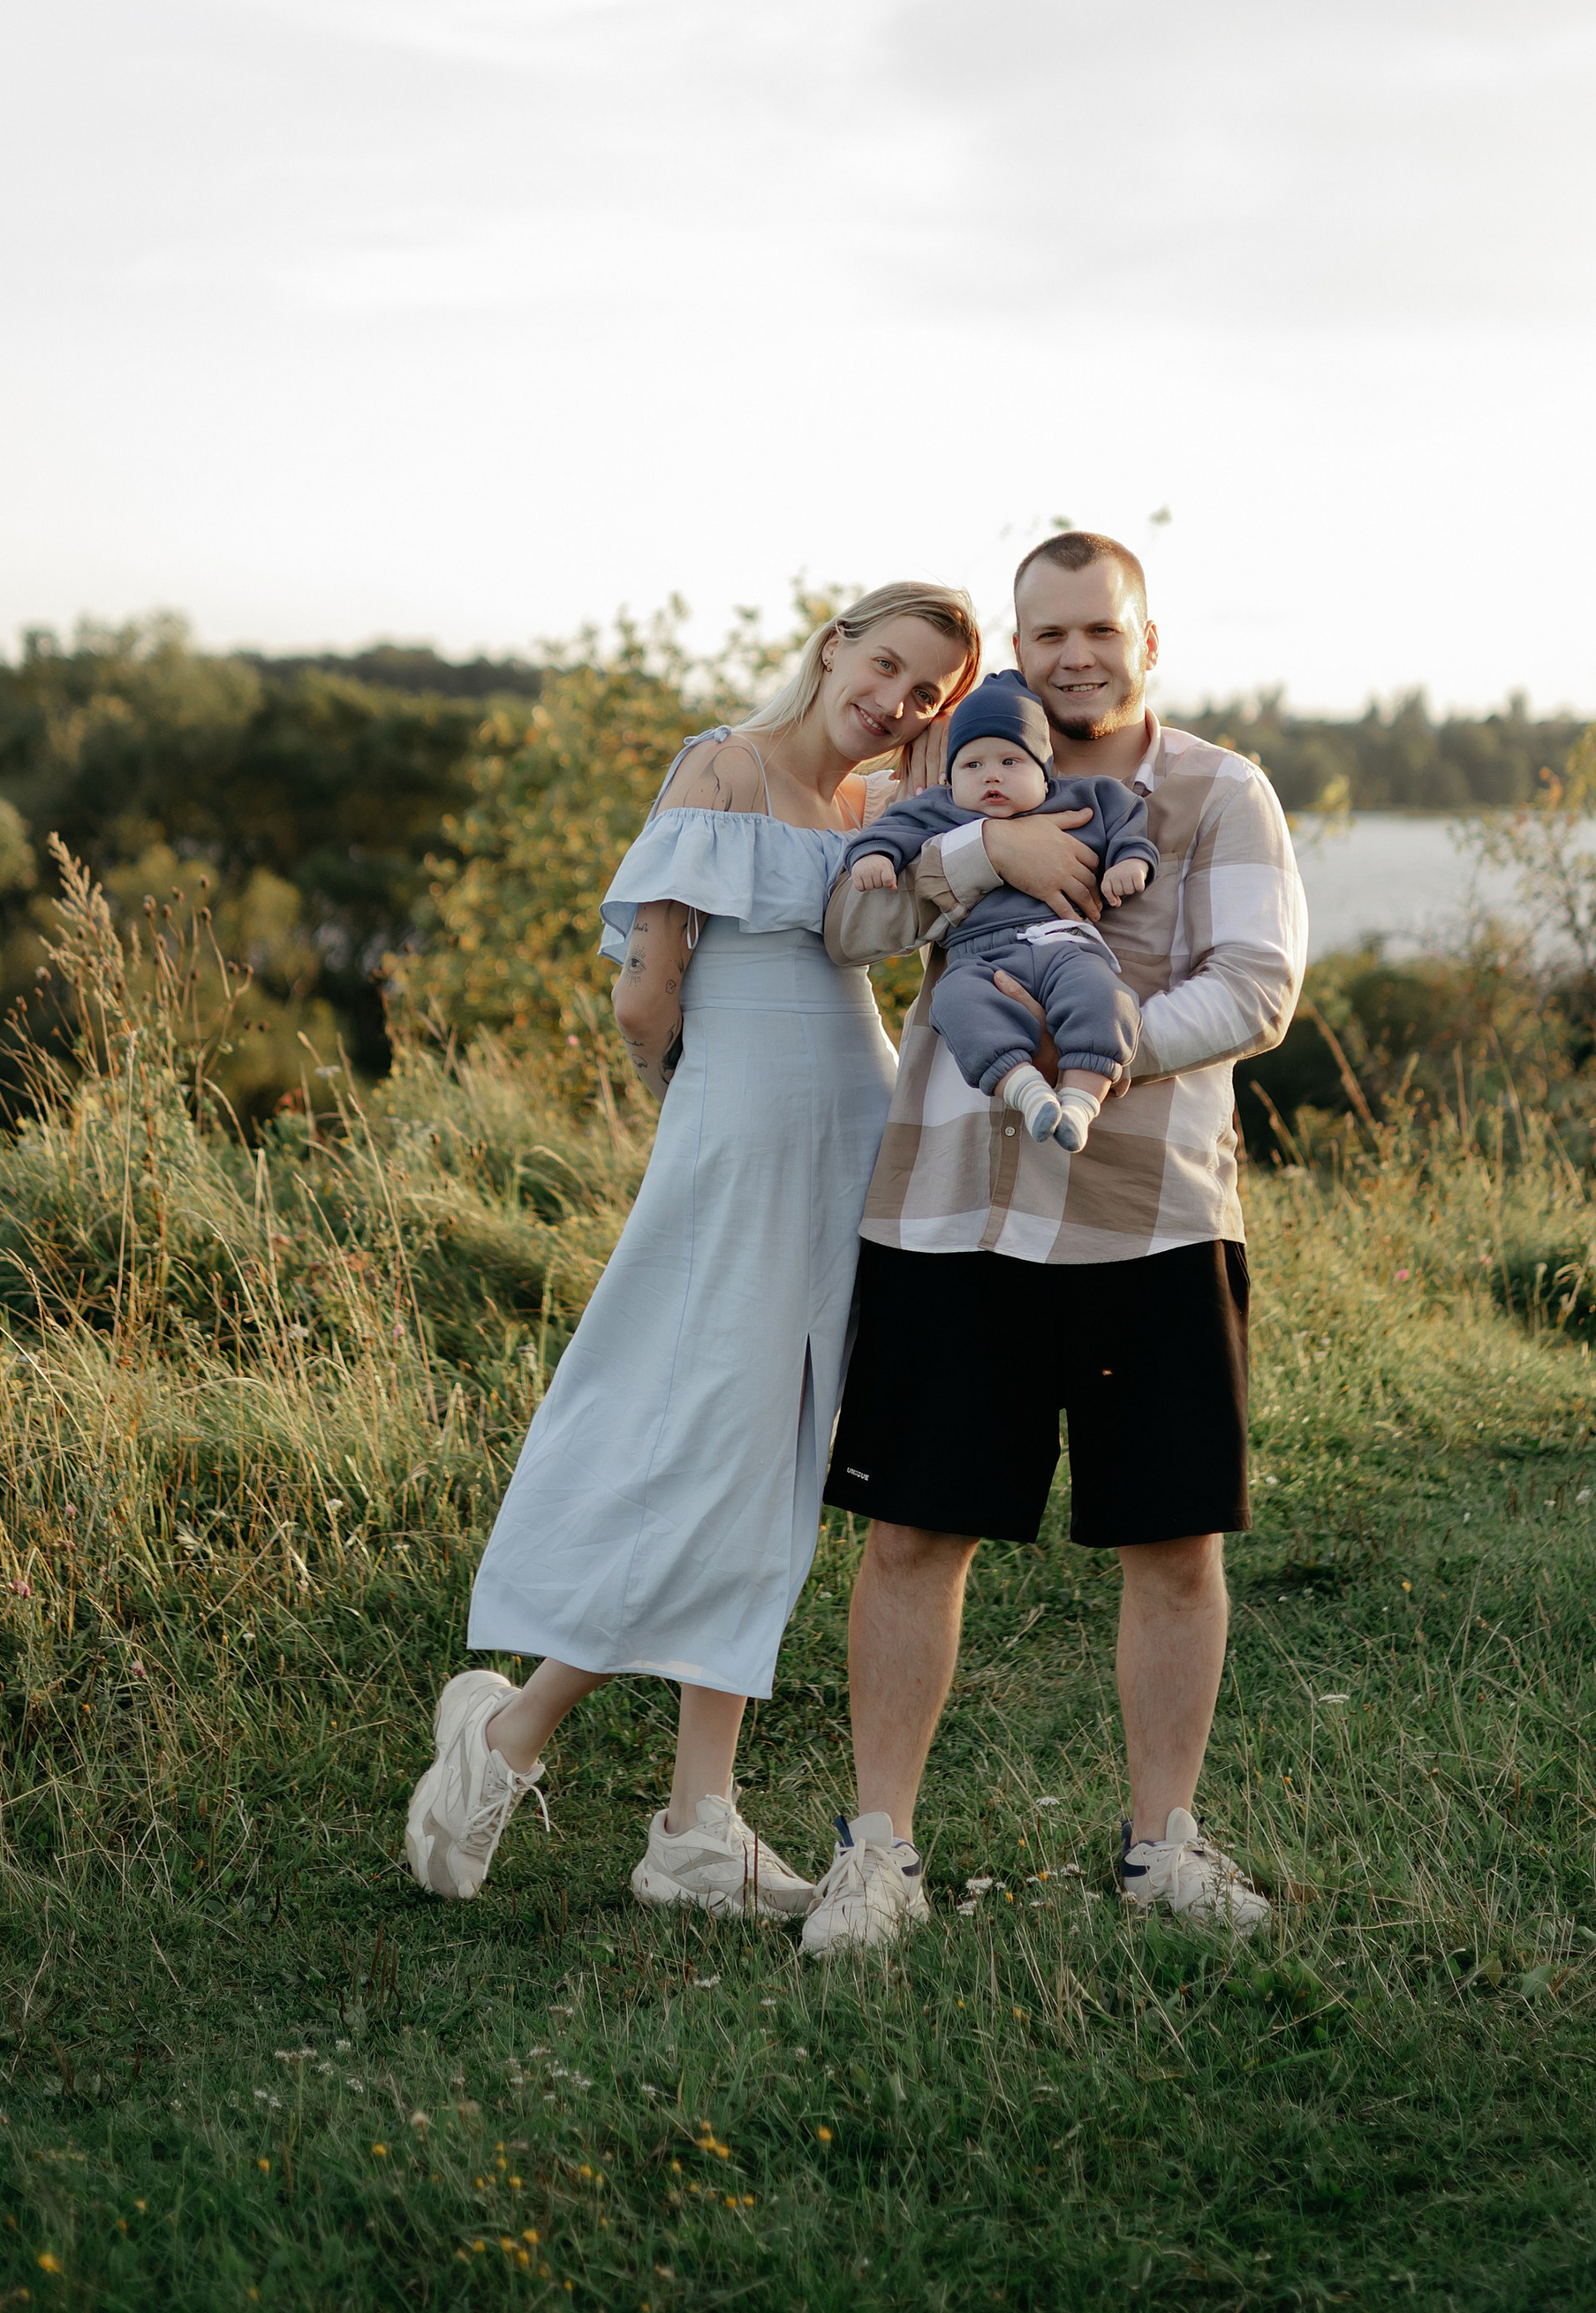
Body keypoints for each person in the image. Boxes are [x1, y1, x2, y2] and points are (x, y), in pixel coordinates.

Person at [404, 580, 980, 1922]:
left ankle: (695, 1825)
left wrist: (944, 783)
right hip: (738, 1155)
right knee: (702, 1450)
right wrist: (703, 1115)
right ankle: (510, 1739)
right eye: (885, 665)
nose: (894, 701)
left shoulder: (873, 817)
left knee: (772, 1467)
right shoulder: (723, 766)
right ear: (835, 647)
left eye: (925, 695)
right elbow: (644, 995)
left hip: (854, 1153)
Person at [804, 530, 1306, 1956]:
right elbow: (849, 923)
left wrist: (1091, 1050)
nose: (1074, 655)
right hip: (949, 1208)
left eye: (1099, 629)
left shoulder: (1219, 791)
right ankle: (878, 1853)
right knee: (910, 1533)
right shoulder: (951, 774)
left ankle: (1164, 1850)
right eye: (1047, 635)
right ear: (1019, 648)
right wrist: (982, 848)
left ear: (1147, 637)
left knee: (1173, 1543)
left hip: (1151, 1214)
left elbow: (1258, 989)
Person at [839, 670, 1152, 1151]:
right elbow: (893, 829)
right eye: (972, 765)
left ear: (1045, 773)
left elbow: (1127, 818)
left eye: (1010, 761)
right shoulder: (941, 809)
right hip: (978, 958)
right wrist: (874, 856)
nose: (991, 776)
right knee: (955, 1003)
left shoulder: (1083, 797)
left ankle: (1080, 1104)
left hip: (1064, 942)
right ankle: (1027, 1092)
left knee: (1103, 995)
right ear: (949, 777)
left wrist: (1130, 861)